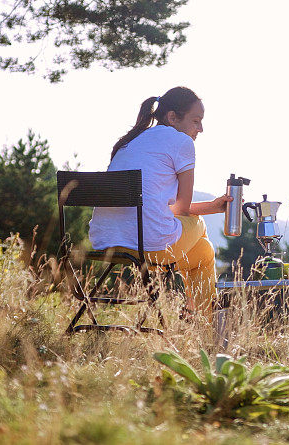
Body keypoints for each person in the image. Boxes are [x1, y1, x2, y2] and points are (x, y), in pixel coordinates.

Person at [89, 86, 230, 320]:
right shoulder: (181, 142)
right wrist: (213, 209)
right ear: (172, 117)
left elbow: (168, 209)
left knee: (204, 252)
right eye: (196, 121)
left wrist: (214, 206)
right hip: (151, 248)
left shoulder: (130, 142)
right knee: (200, 226)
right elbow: (183, 209)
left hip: (108, 243)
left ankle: (195, 318)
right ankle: (201, 324)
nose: (201, 129)